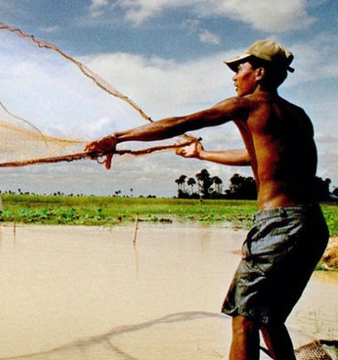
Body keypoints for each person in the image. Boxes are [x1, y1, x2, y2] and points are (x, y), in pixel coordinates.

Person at [84, 40, 329, 360]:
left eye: (238, 69)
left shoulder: (250, 105)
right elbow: (253, 156)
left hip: (280, 225)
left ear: (259, 72)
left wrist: (117, 138)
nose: (233, 77)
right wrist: (202, 153)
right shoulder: (298, 116)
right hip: (311, 226)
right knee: (269, 318)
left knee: (244, 319)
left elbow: (182, 122)